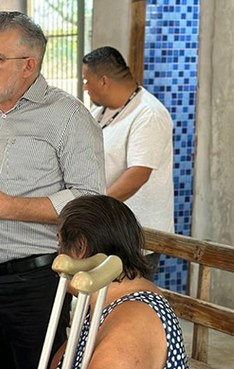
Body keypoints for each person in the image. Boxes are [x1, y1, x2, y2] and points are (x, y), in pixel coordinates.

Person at [0, 11, 105, 369]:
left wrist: (8, 206)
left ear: (28, 66)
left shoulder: (69, 117)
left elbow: (89, 201)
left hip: (34, 284)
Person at [53, 195, 189, 369]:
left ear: (81, 247)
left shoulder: (131, 326)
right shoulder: (105, 303)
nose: (57, 258)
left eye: (60, 244)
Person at [82, 46, 174, 274]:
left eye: (87, 80)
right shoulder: (100, 112)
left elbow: (138, 175)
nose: (85, 87)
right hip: (105, 231)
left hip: (134, 236)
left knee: (124, 304)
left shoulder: (148, 114)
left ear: (104, 81)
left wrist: (92, 210)